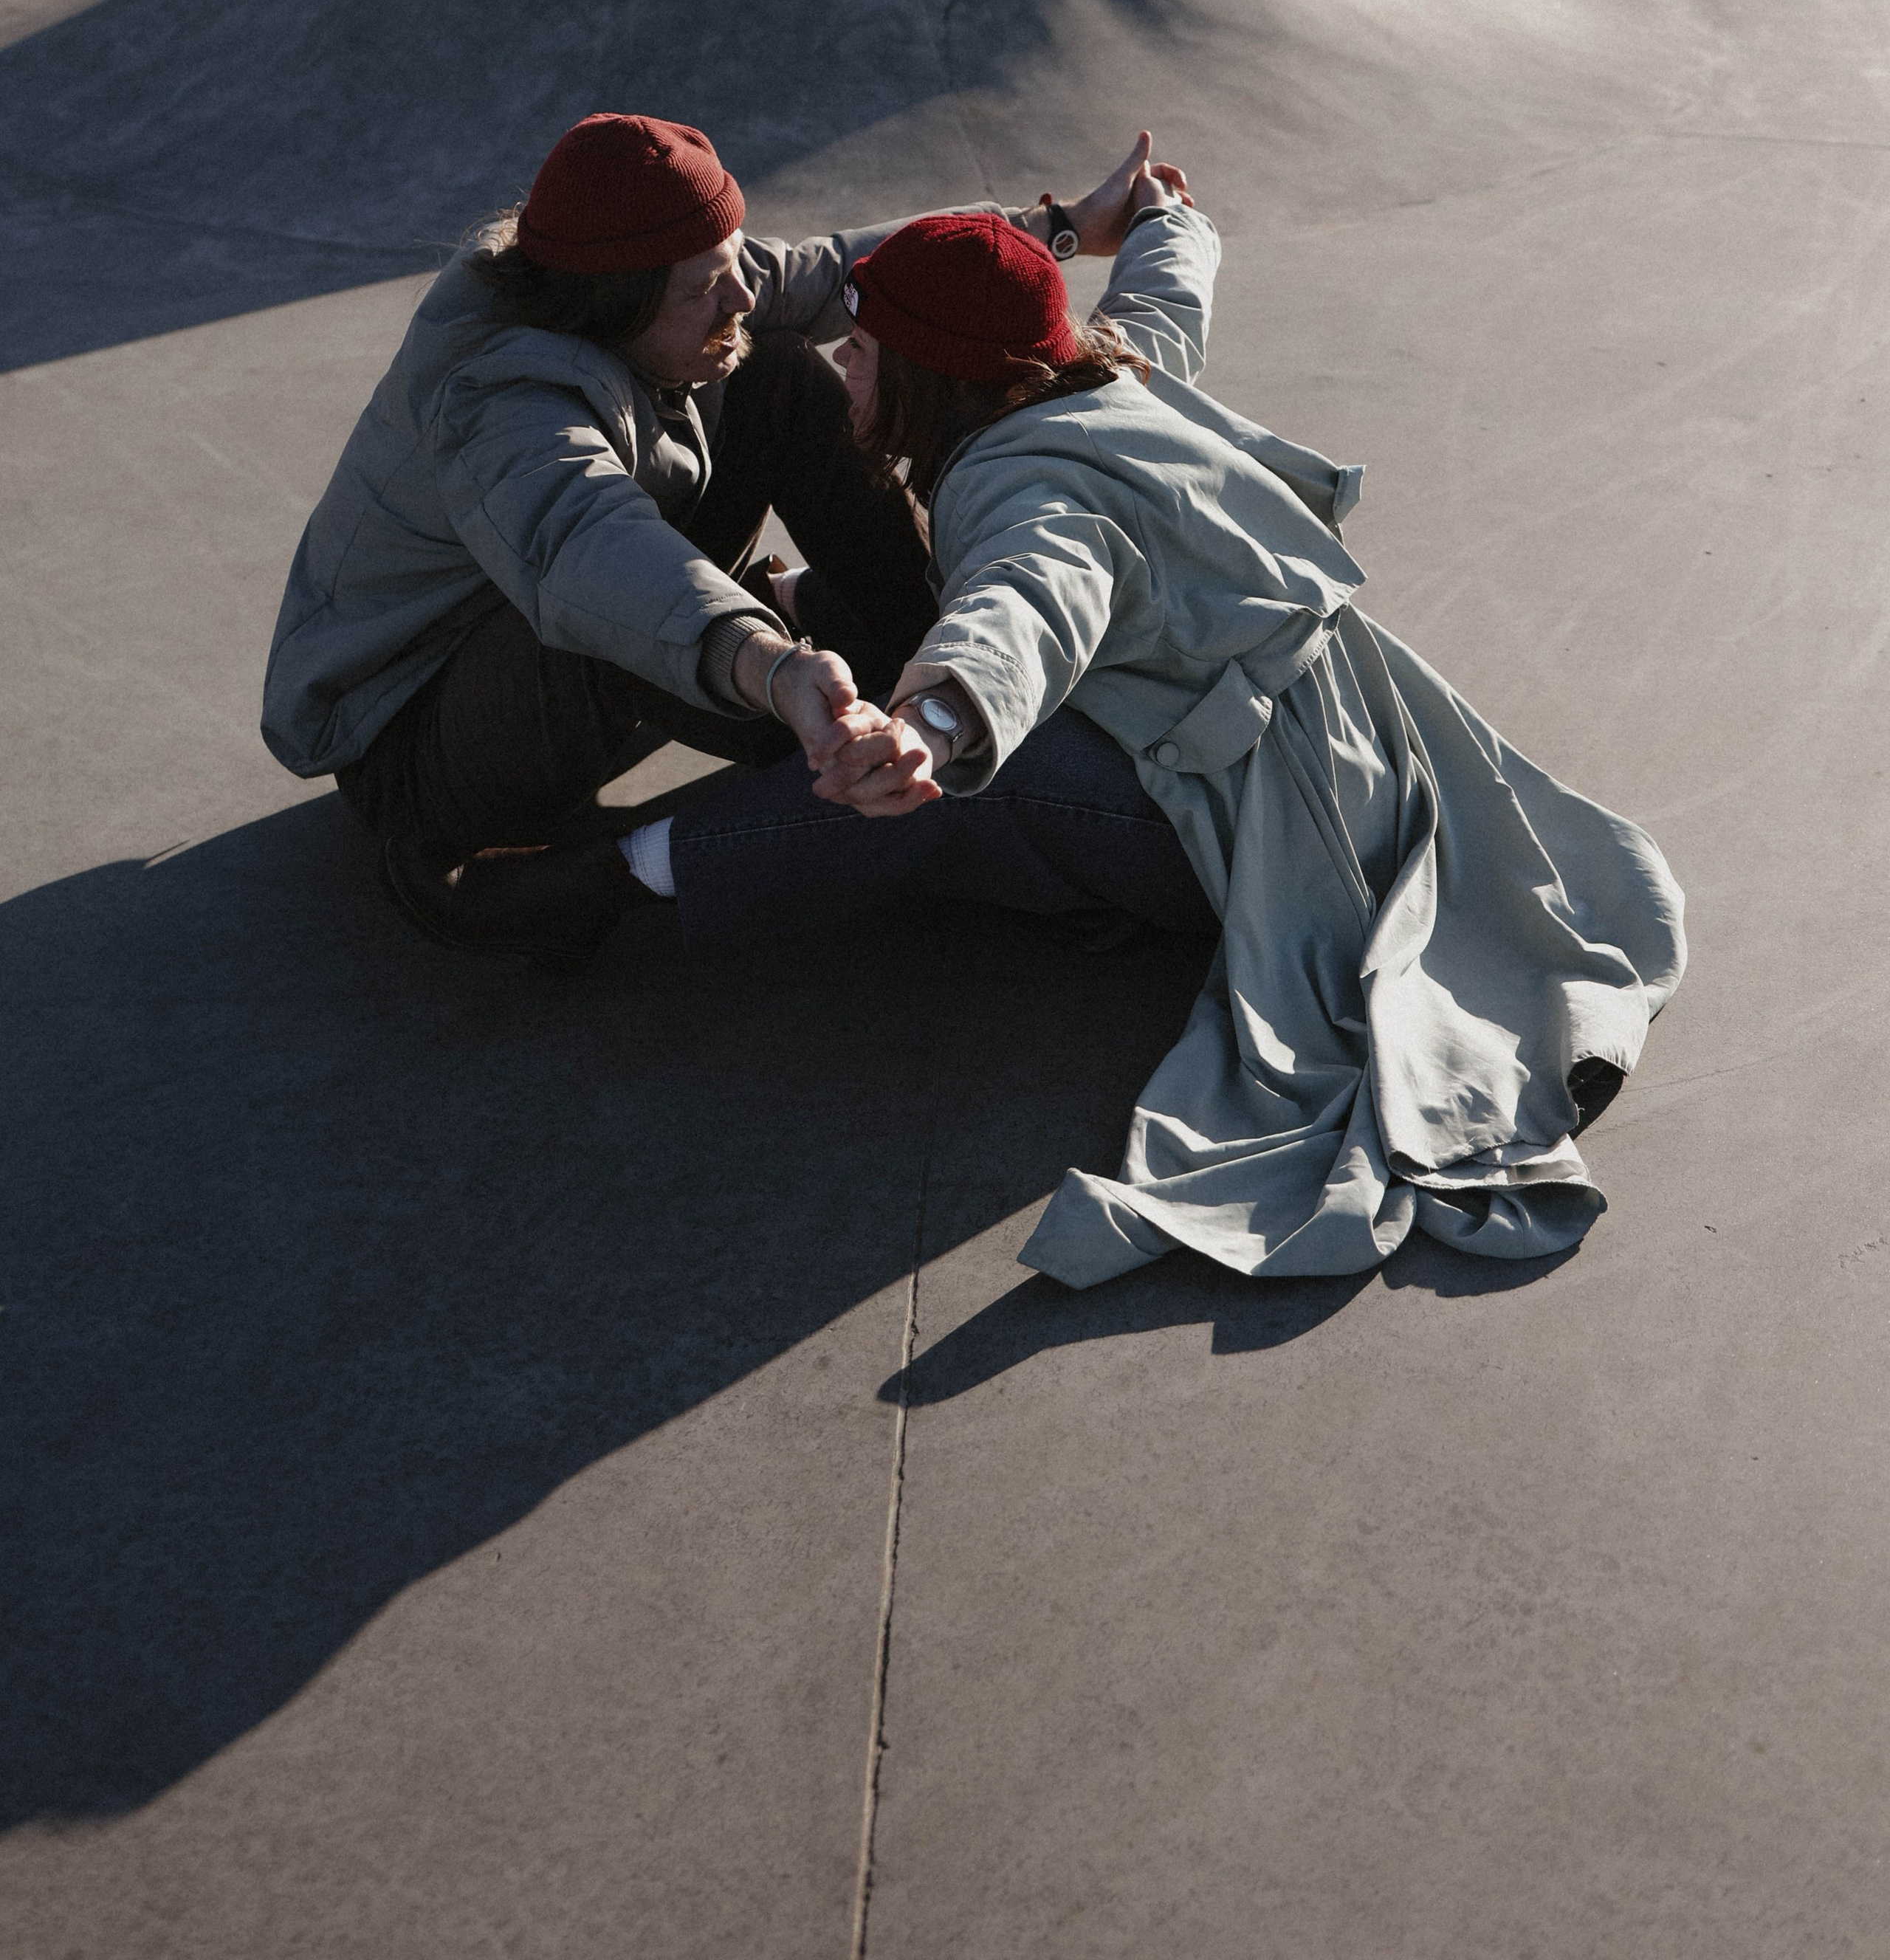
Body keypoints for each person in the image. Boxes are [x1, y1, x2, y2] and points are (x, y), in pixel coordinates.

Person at [605, 170, 1688, 1290]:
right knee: (922, 659)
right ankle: (794, 627)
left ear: (936, 378)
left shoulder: (1030, 494)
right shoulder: (1107, 375)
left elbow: (1025, 604)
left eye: (866, 351)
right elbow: (1169, 298)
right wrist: (1167, 216)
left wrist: (931, 724)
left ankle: (622, 876)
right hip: (1350, 753)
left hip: (1259, 831)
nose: (843, 364)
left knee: (961, 793)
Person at [261, 107, 1183, 963]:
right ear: (617, 306)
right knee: (614, 605)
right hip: (420, 742)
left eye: (736, 259)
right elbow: (590, 549)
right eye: (710, 286)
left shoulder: (640, 278)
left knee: (774, 369)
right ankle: (796, 760)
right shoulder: (499, 401)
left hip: (548, 629)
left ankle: (920, 653)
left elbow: (826, 275)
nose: (743, 290)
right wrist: (770, 666)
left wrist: (1057, 229)